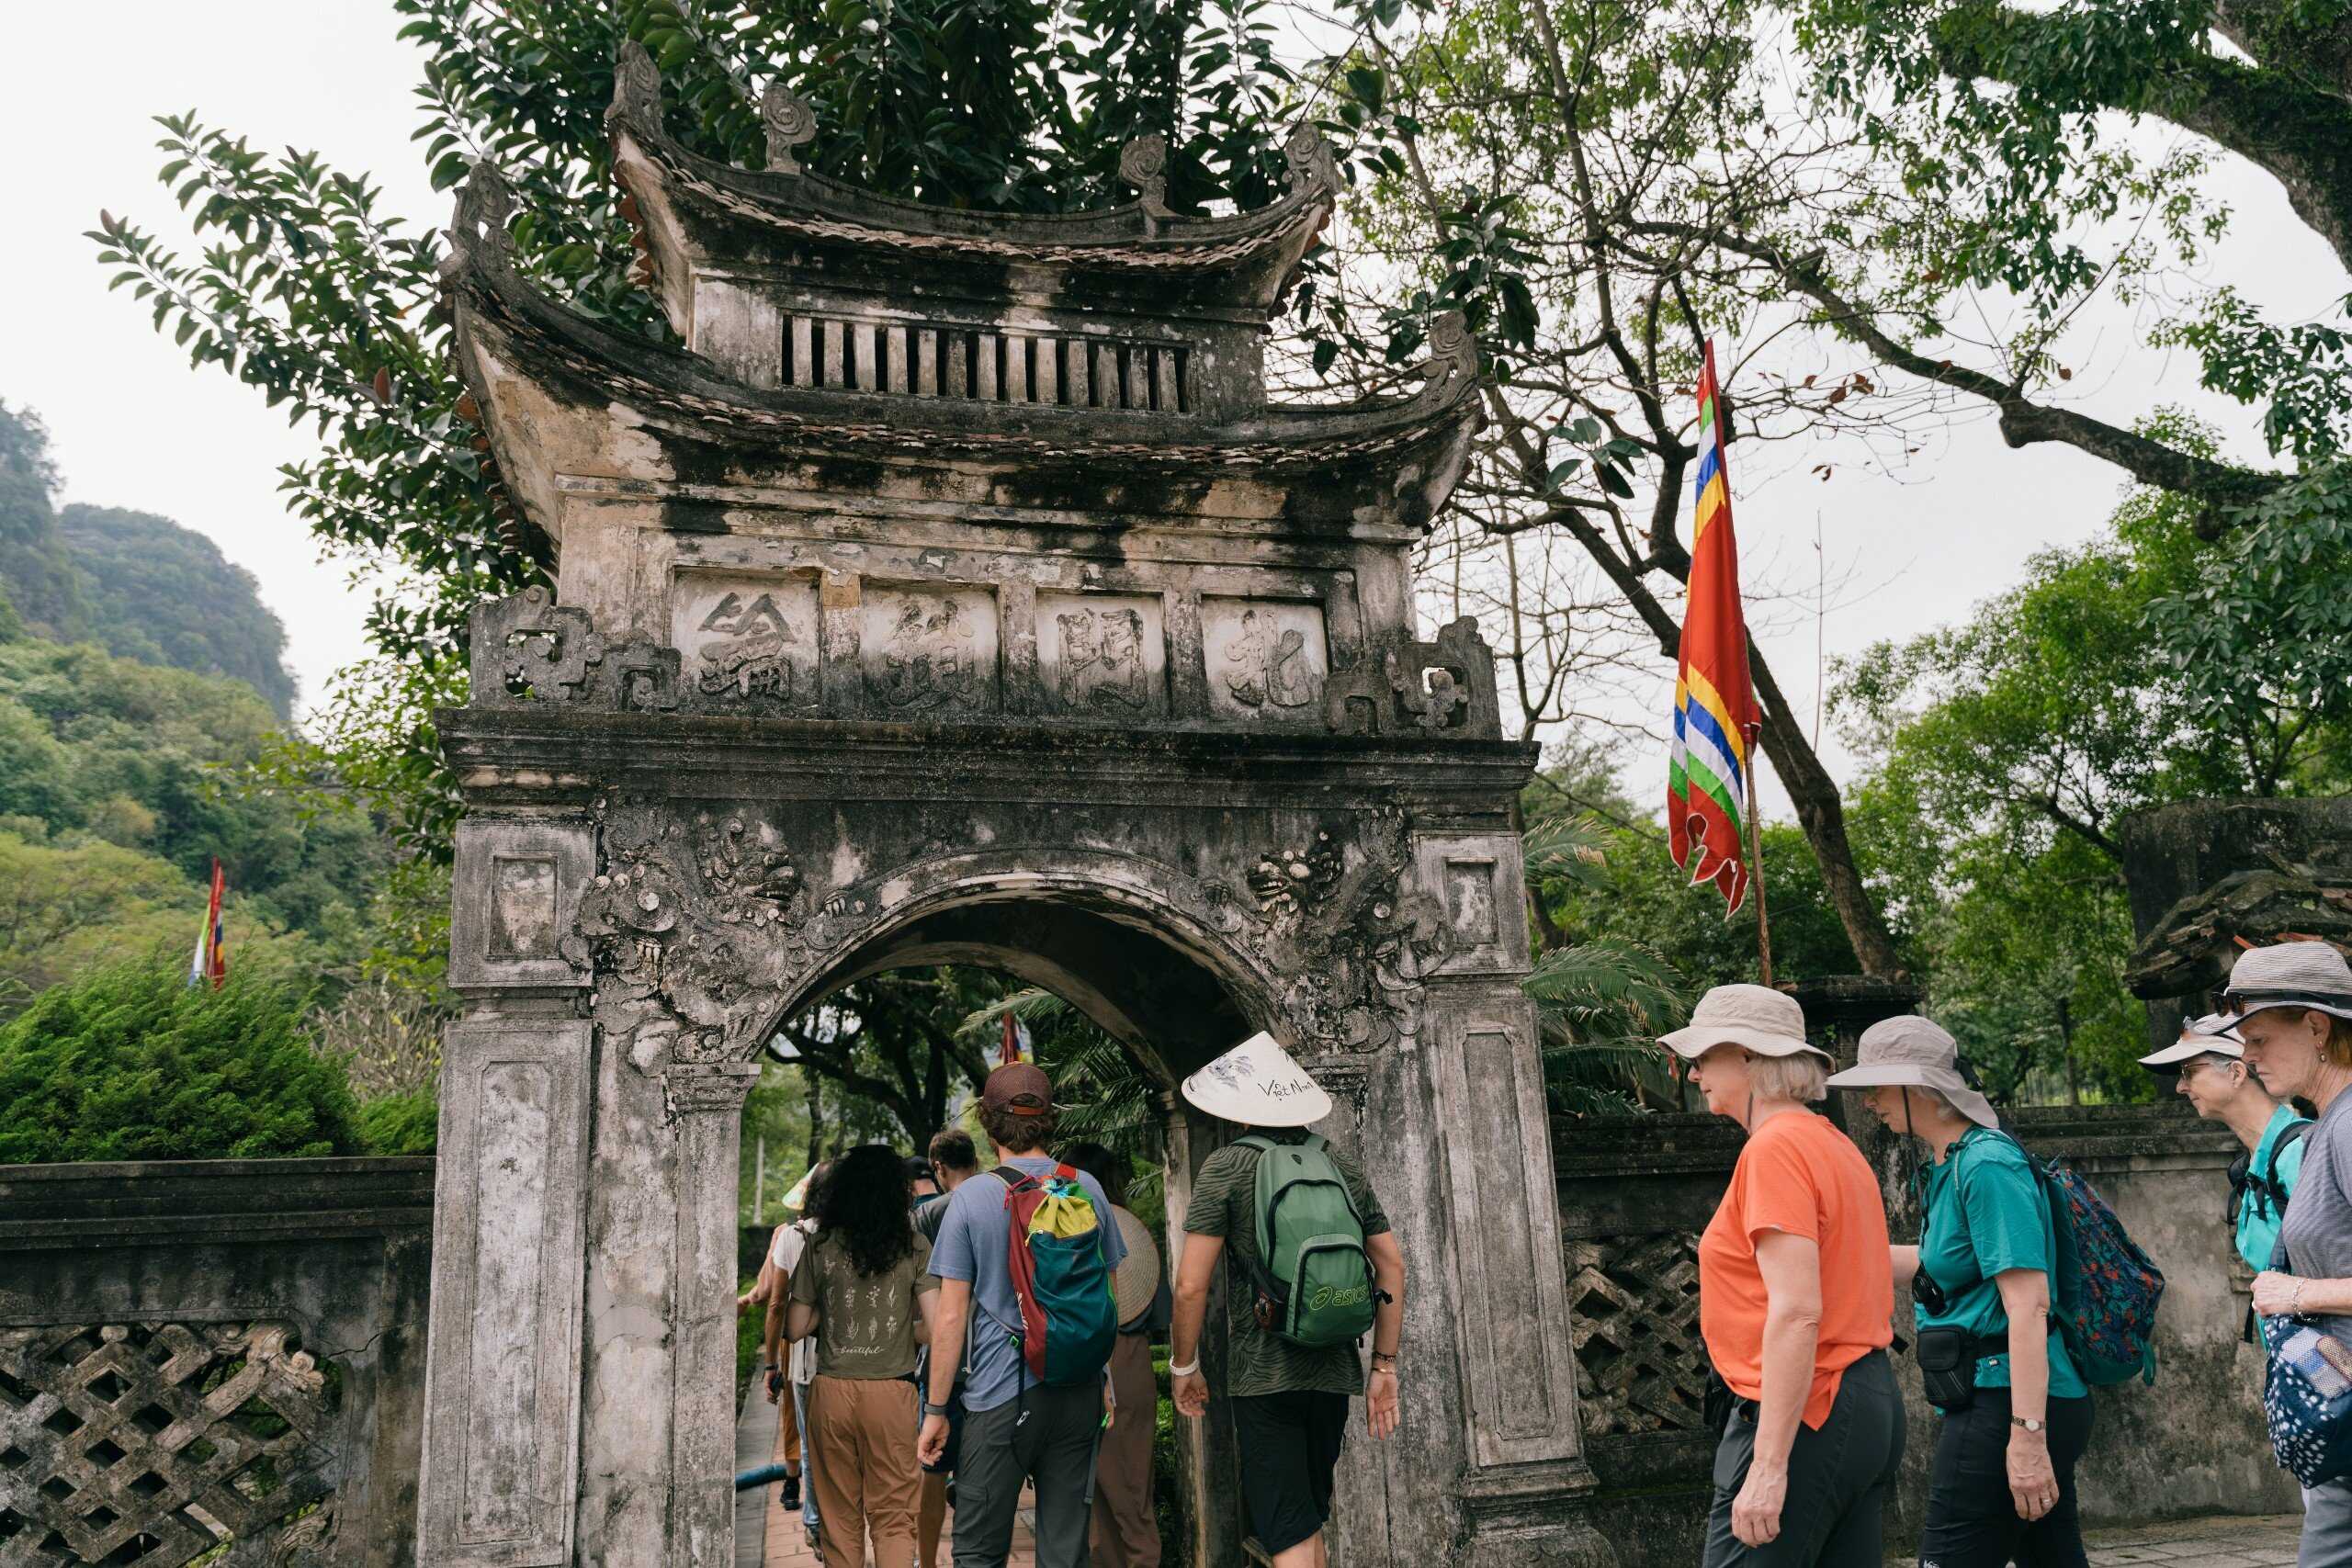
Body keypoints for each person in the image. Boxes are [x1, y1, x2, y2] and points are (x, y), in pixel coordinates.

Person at [1828, 1014, 2088, 1568]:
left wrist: (2026, 1437)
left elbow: (2029, 1305)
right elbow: (1936, 1263)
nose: (1869, 1101)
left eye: (1877, 1085)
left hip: (2007, 1401)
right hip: (1991, 1393)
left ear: (1921, 1088)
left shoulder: (1987, 1164)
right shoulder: (1950, 1164)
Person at [1660, 986, 1901, 1567]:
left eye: (1702, 1058)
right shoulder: (1832, 1142)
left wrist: (1767, 1465)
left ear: (1747, 1056)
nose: (1695, 1076)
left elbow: (1796, 1310)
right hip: (1864, 1397)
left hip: (1808, 1407)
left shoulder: (1775, 1149)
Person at [1170, 1032, 1404, 1568]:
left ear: (1242, 1109)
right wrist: (1384, 1367)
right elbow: (1391, 1264)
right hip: (1334, 1369)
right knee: (1305, 1520)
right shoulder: (1337, 1163)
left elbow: (1190, 1285)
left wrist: (1185, 1365)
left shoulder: (1227, 1167)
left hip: (1263, 1373)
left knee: (1287, 1532)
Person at [920, 1063, 1128, 1568]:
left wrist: (935, 1411)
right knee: (1064, 1550)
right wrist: (1104, 1379)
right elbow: (1109, 1294)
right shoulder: (1088, 1188)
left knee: (978, 1551)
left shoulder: (970, 1198)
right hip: (1078, 1390)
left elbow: (949, 1320)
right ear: (1049, 1119)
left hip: (1000, 1397)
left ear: (989, 1127)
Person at [2208, 942, 2352, 1566]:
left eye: (2260, 1036)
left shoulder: (2348, 1125)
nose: (2247, 1054)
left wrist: (2295, 1293)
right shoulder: (2330, 1123)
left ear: (2317, 1025)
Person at [787, 1144, 941, 1568]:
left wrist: (831, 1317)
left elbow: (795, 1327)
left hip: (831, 1394)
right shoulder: (914, 1246)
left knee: (839, 1522)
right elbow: (936, 1327)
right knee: (893, 1519)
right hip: (892, 1393)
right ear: (898, 1192)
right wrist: (899, 1330)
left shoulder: (818, 1246)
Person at [1062, 1140, 1170, 1568]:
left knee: (1117, 1499)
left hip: (1098, 1360)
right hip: (1131, 1359)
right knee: (1119, 1494)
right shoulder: (1134, 1236)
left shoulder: (1070, 1234)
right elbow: (1159, 1310)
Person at [2140, 1014, 2309, 1272]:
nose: (2180, 1087)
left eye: (2189, 1072)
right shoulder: (2254, 1161)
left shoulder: (2298, 1154)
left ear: (2236, 1073)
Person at [913, 1127, 980, 1568]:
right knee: (980, 1476)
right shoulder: (1001, 1201)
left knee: (931, 1471)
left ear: (938, 1168)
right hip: (995, 1359)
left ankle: (926, 1560)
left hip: (944, 1363)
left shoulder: (927, 1215)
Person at [767, 1162, 833, 1549]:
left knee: (811, 1446)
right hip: (853, 1359)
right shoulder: (858, 1235)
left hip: (806, 1360)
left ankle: (815, 1522)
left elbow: (776, 1305)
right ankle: (842, 1524)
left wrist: (772, 1364)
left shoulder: (792, 1237)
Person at [742, 1218, 806, 1512]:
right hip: (845, 1337)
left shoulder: (786, 1232)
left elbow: (769, 1293)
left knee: (794, 1413)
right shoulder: (855, 1229)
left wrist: (748, 1299)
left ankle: (792, 1482)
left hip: (797, 1337)